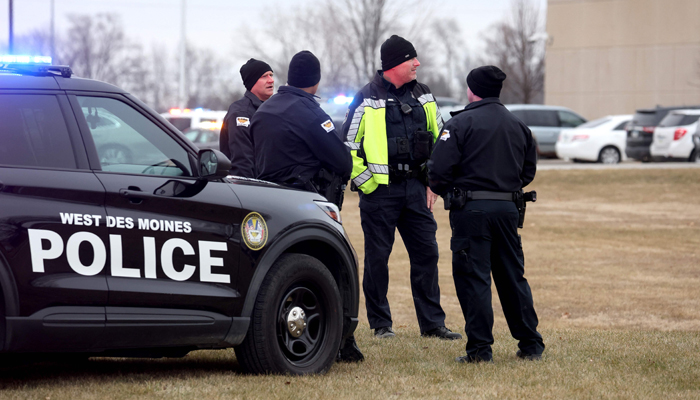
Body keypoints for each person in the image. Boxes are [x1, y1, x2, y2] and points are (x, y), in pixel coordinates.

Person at [342, 35, 461, 340]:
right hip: (380, 194)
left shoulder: (424, 94)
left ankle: (433, 324)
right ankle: (381, 325)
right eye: (412, 59)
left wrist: (434, 182)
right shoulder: (366, 98)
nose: (417, 64)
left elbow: (441, 138)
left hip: (416, 191)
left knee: (427, 254)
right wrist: (367, 184)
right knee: (378, 259)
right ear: (396, 63)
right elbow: (347, 147)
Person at [251, 50, 363, 362]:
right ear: (315, 81)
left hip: (270, 203)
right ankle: (343, 342)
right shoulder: (311, 113)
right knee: (334, 269)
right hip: (306, 201)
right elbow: (341, 160)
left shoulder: (264, 110)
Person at [427, 65, 545, 363]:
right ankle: (530, 344)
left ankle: (480, 350)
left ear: (471, 90)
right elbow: (527, 170)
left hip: (471, 211)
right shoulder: (517, 125)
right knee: (512, 277)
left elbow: (438, 171)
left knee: (473, 278)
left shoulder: (460, 124)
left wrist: (453, 190)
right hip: (508, 209)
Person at [219, 58, 274, 177]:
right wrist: (249, 192)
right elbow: (242, 163)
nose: (271, 80)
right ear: (252, 81)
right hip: (252, 189)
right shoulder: (241, 113)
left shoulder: (269, 109)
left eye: (271, 75)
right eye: (264, 76)